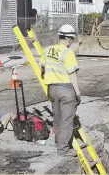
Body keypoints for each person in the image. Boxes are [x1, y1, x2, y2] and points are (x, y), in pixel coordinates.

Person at [39, 24, 81, 157]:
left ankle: (58, 142)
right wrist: (78, 94)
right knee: (67, 120)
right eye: (71, 40)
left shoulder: (47, 50)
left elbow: (42, 69)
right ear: (69, 39)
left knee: (57, 118)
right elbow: (72, 75)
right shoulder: (68, 53)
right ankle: (63, 150)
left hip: (52, 89)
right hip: (66, 90)